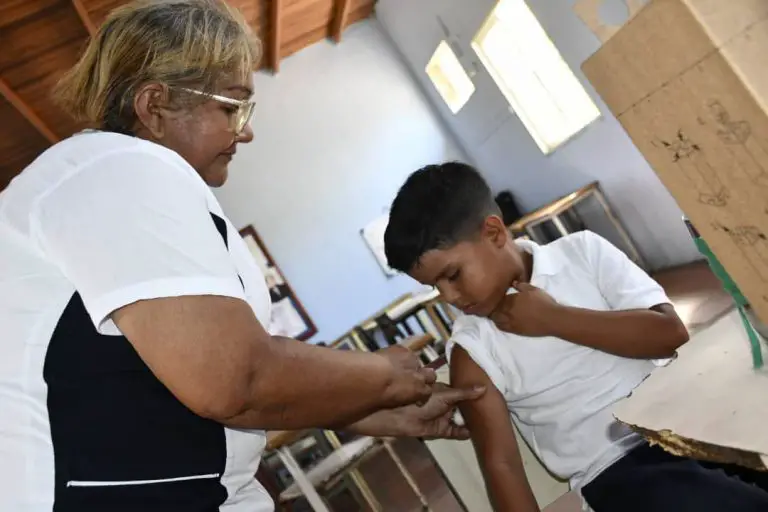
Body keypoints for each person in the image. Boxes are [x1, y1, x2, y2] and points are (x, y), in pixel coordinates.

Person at [0, 2, 485, 511]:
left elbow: (163, 383)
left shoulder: (125, 183)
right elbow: (235, 379)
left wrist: (361, 407)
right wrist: (384, 377)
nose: (245, 131)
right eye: (231, 107)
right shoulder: (117, 171)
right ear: (154, 106)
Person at [383, 161, 768, 512]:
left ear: (494, 233)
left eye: (452, 275)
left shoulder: (582, 253)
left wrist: (555, 319)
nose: (449, 297)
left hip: (689, 422)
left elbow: (669, 334)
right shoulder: (472, 350)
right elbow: (501, 466)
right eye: (434, 287)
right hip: (618, 471)